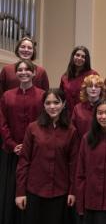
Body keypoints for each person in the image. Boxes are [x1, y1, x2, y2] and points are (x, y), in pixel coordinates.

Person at [15, 88, 79, 224]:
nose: (52, 106)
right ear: (43, 105)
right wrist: (20, 192)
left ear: (64, 104)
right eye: (48, 103)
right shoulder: (32, 128)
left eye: (56, 102)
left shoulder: (71, 131)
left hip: (60, 193)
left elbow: (74, 164)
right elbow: (24, 161)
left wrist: (73, 191)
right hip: (34, 191)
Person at [0, 60, 45, 224]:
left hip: (35, 153)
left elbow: (44, 122)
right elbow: (2, 122)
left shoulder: (42, 95)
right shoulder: (7, 95)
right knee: (11, 193)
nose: (23, 72)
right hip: (12, 152)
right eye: (20, 70)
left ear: (34, 73)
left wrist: (30, 146)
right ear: (16, 73)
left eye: (27, 69)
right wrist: (12, 144)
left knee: (31, 194)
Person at [60, 46, 98, 115]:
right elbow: (61, 97)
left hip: (86, 114)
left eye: (83, 56)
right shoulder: (65, 77)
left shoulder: (93, 75)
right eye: (77, 55)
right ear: (73, 57)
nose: (79, 58)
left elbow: (99, 96)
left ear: (86, 59)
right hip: (68, 114)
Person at [72, 74, 106, 141]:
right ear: (85, 88)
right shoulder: (77, 109)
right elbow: (73, 132)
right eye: (90, 86)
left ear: (101, 89)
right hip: (82, 145)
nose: (93, 89)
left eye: (96, 86)